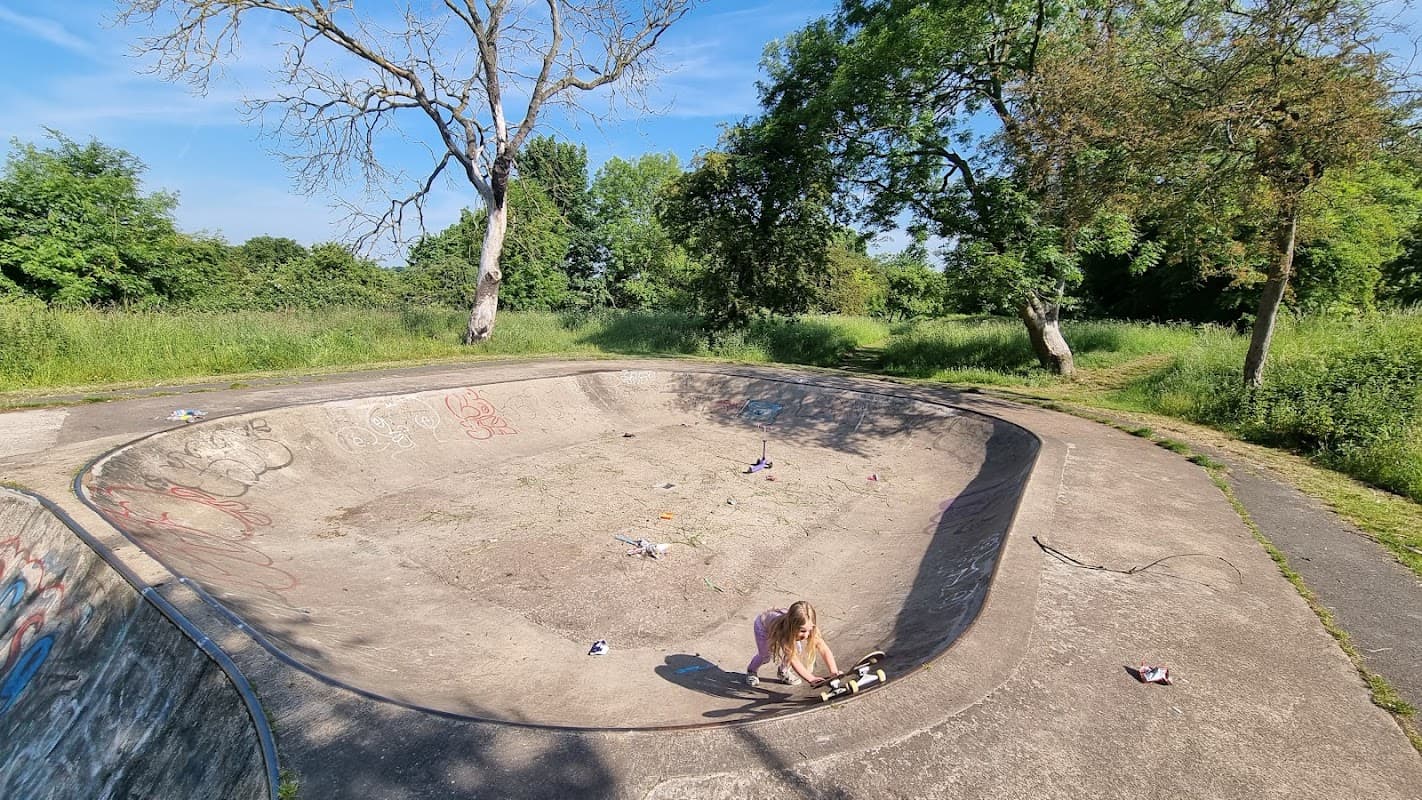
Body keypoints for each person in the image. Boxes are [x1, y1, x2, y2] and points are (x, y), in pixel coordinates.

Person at [744, 600, 839, 687]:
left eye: (809, 629)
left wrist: (834, 672)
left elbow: (823, 649)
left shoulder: (808, 628)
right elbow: (793, 659)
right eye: (802, 631)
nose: (806, 635)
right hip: (763, 628)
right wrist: (811, 679)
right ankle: (751, 671)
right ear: (792, 627)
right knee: (765, 656)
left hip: (781, 624)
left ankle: (783, 672)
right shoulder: (783, 631)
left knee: (797, 649)